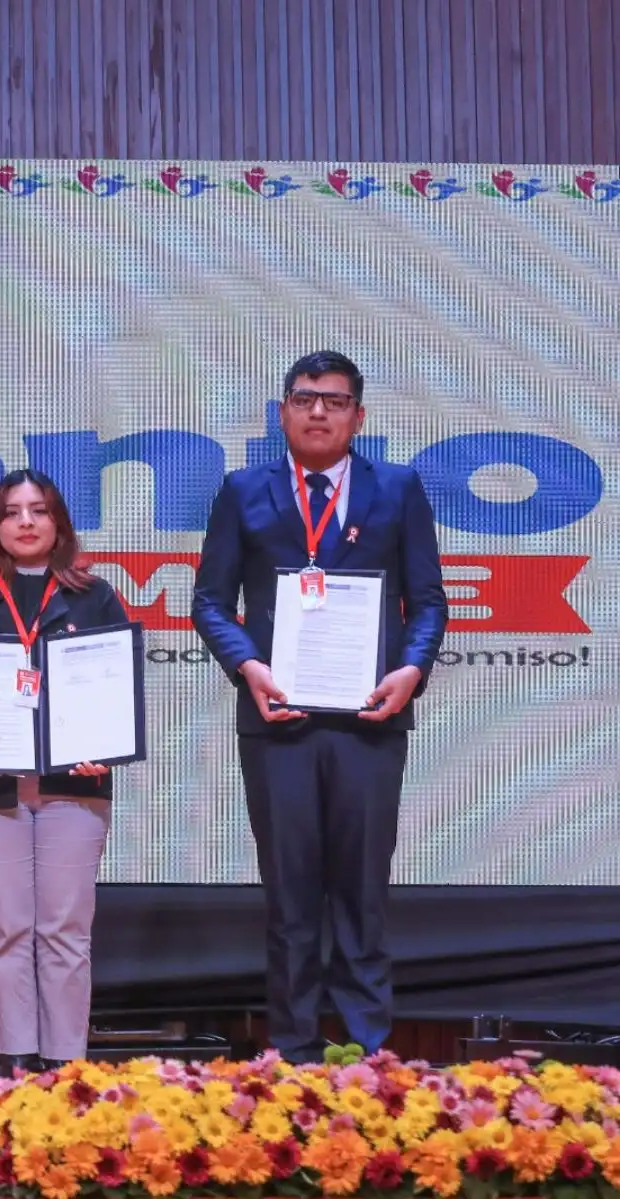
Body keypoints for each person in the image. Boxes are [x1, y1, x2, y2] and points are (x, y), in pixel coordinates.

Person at [192, 350, 447, 1062]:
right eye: (305, 398)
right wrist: (248, 665)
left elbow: (428, 602)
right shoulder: (245, 490)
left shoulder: (396, 489)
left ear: (358, 417)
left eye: (334, 401)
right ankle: (296, 1046)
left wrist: (411, 670)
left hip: (371, 719)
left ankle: (369, 1048)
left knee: (363, 892)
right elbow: (210, 601)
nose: (318, 412)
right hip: (279, 722)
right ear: (282, 412)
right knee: (292, 896)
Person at [0, 469, 129, 1075]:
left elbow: (115, 688)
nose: (25, 522)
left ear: (58, 524)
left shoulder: (94, 597)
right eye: (12, 512)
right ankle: (14, 1057)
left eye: (38, 511)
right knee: (8, 929)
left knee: (66, 929)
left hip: (76, 787)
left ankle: (65, 1062)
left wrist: (107, 746)